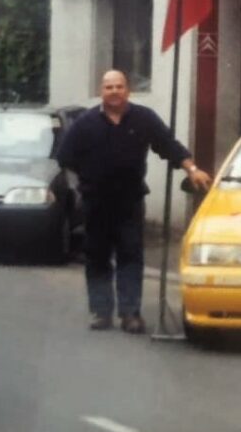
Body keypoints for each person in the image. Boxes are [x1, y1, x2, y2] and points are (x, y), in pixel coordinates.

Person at [56, 69, 213, 334]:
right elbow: (65, 157)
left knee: (131, 256)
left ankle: (130, 314)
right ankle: (101, 312)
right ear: (101, 91)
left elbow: (168, 145)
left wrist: (192, 169)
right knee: (97, 257)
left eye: (119, 86)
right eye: (109, 87)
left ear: (128, 90)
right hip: (96, 201)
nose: (114, 91)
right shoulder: (85, 123)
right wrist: (85, 182)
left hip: (129, 200)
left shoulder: (143, 118)